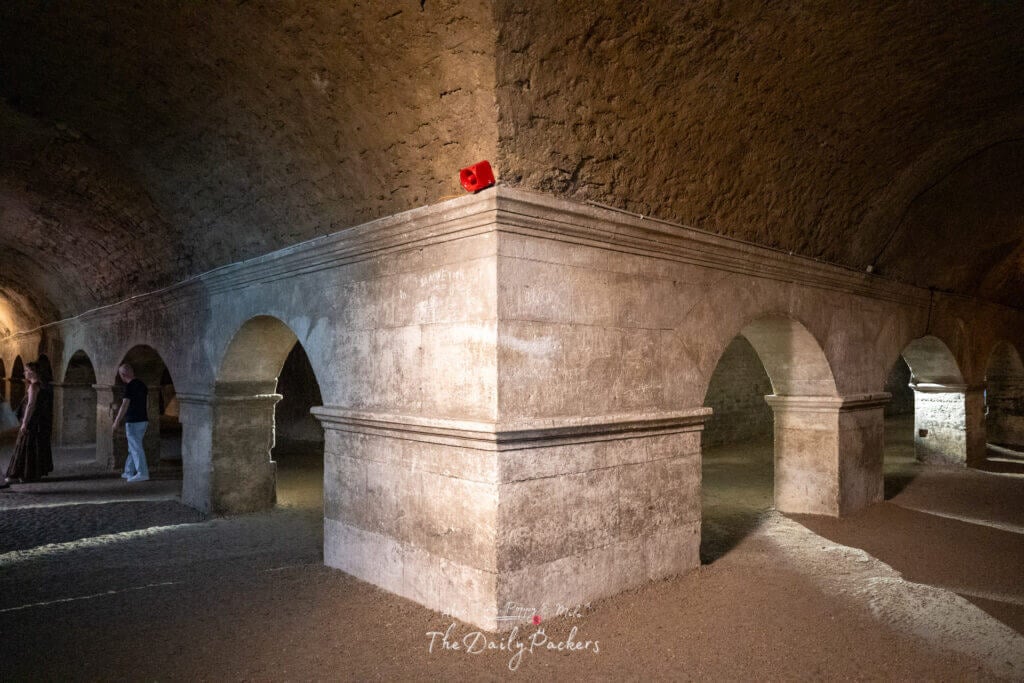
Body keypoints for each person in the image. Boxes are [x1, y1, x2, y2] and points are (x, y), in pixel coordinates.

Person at [2, 361, 54, 487]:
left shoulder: (33, 387)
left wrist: (25, 422)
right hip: (39, 422)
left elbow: (31, 405)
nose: (24, 373)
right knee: (34, 446)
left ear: (32, 372)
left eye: (26, 370)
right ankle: (33, 473)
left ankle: (21, 474)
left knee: (24, 445)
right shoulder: (43, 386)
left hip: (32, 421)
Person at [112, 363, 149, 483]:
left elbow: (124, 405)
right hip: (143, 420)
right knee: (132, 447)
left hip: (133, 420)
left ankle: (142, 473)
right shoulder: (142, 385)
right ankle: (128, 471)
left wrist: (116, 421)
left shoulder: (129, 386)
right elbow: (146, 403)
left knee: (136, 447)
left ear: (123, 374)